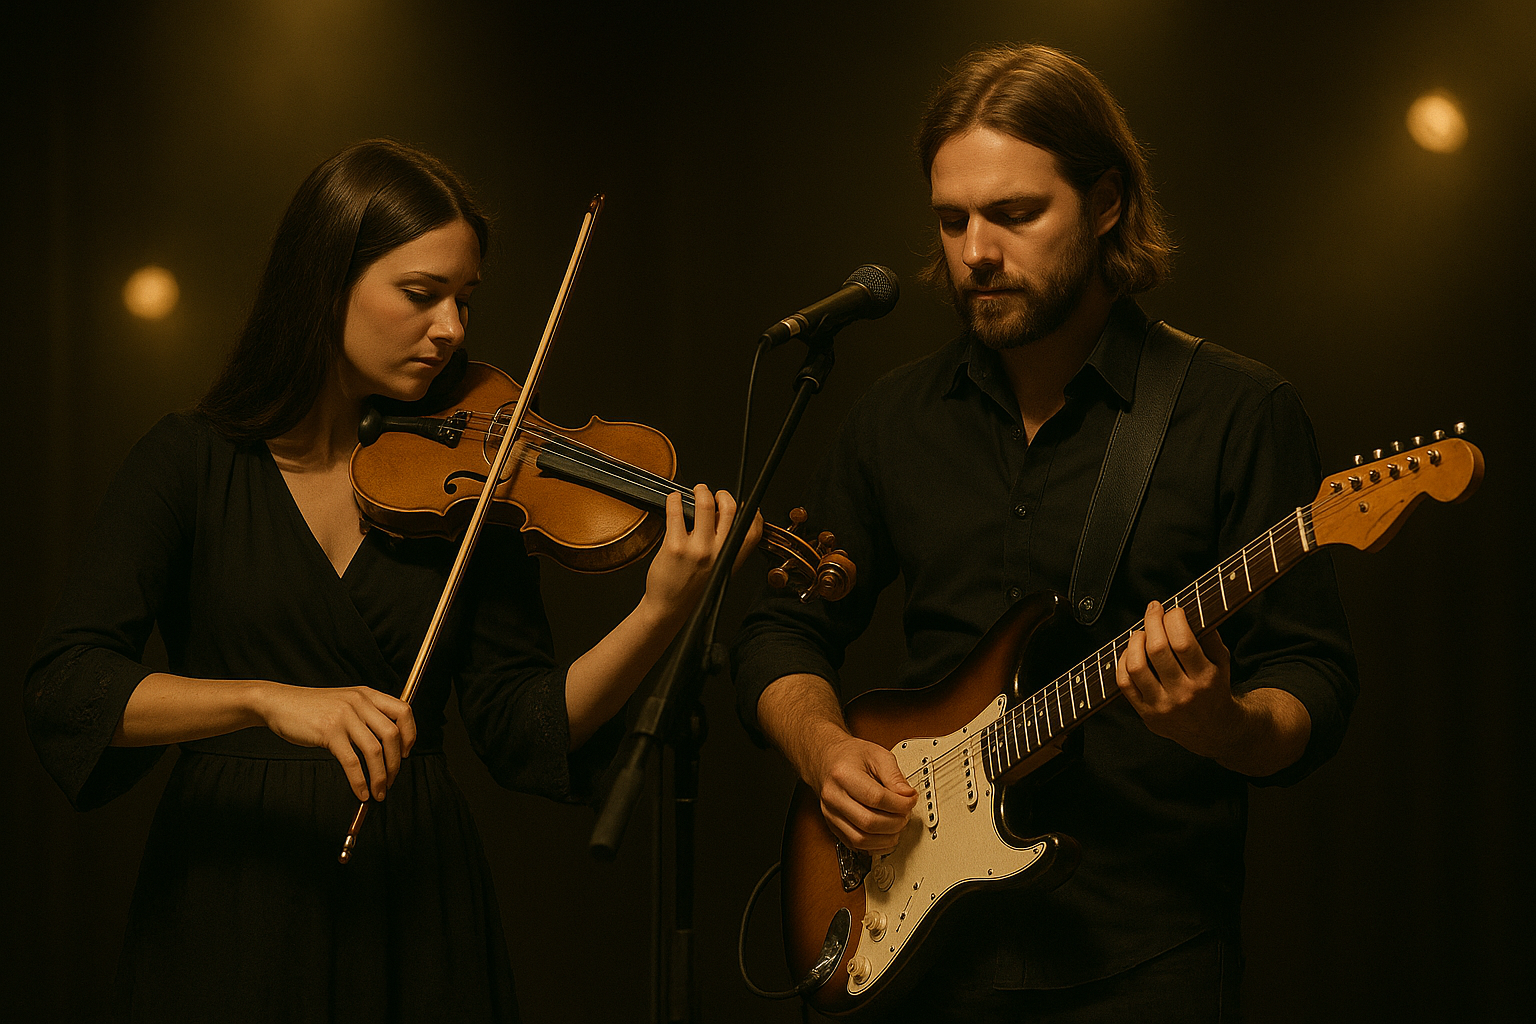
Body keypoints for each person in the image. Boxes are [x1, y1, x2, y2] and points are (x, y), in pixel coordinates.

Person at [24, 138, 758, 1023]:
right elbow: (71, 687)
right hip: (230, 889)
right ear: (326, 280)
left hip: (412, 892)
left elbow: (523, 727)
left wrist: (662, 610)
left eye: (463, 300)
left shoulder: (477, 482)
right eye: (420, 294)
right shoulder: (188, 462)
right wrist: (265, 700)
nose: (451, 329)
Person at [731, 44, 1357, 1022]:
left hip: (1142, 957)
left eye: (1015, 214)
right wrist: (821, 749)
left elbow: (1313, 678)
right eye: (952, 220)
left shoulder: (1237, 413)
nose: (976, 252)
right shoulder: (894, 419)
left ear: (1106, 203)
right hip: (918, 955)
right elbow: (781, 630)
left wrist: (1224, 724)